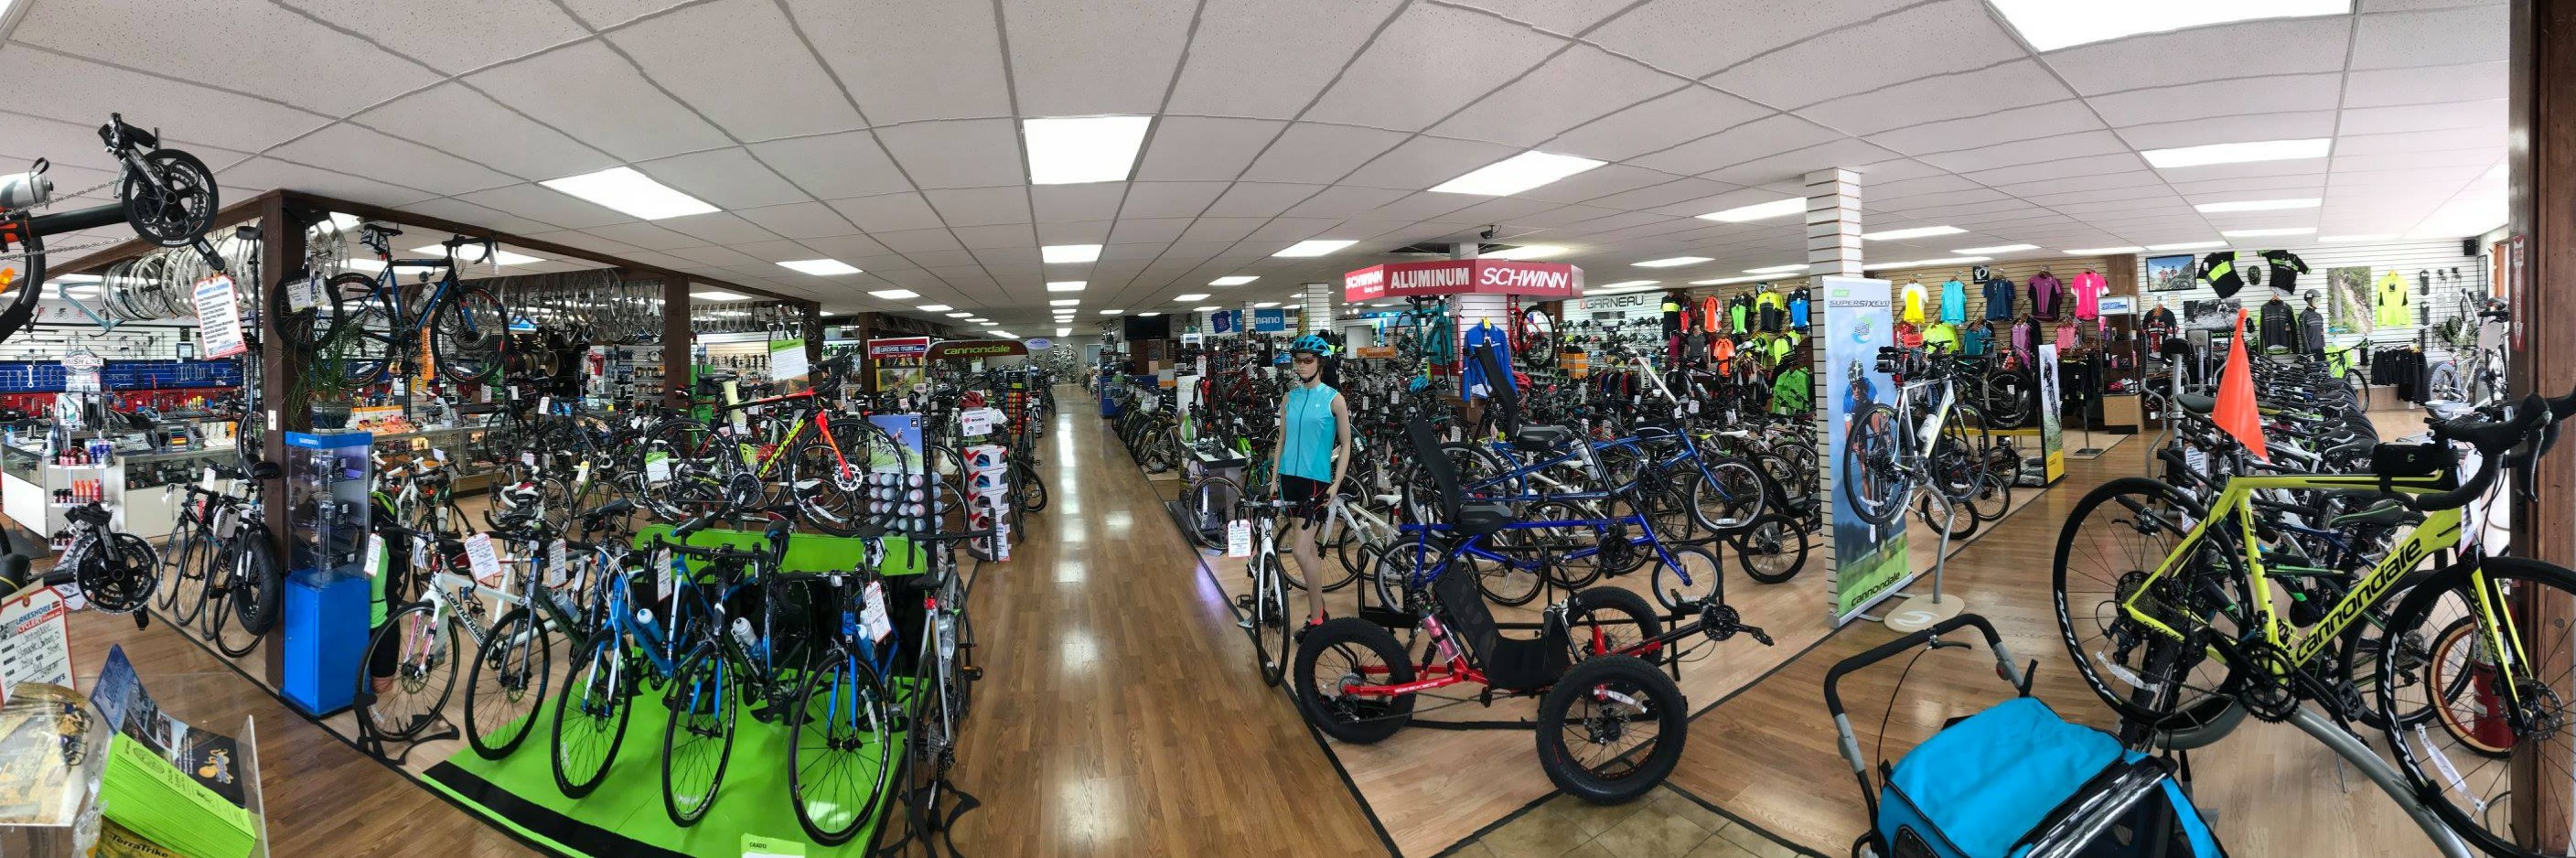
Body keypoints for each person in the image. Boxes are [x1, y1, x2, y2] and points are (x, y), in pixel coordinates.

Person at [1264, 333, 1351, 632]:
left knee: (1300, 551)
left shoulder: (1334, 399)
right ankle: (1319, 614)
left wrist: (1336, 483)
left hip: (1316, 482)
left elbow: (1346, 445)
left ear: (1320, 363)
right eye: (1297, 361)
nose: (1301, 366)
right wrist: (1274, 478)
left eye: (1307, 360)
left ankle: (1317, 618)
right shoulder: (1290, 398)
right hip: (1289, 479)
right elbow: (1281, 440)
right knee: (1308, 550)